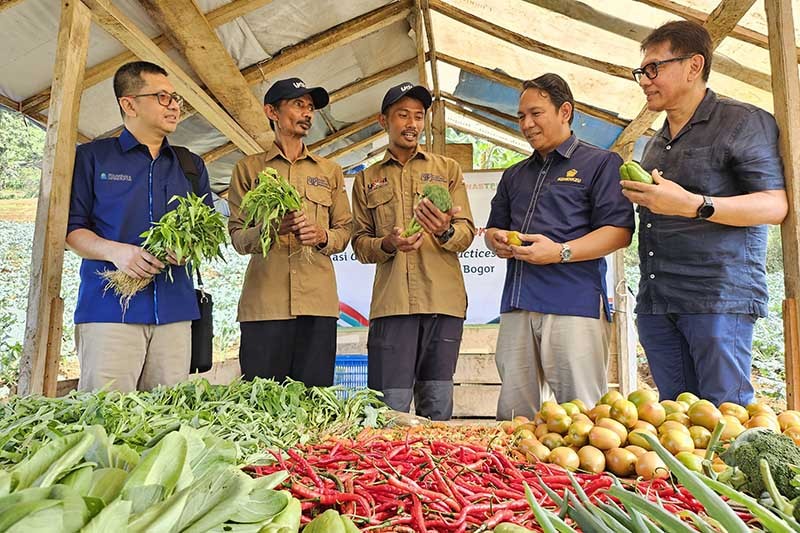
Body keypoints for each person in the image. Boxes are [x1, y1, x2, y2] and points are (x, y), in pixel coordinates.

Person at [621, 21, 787, 405]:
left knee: (726, 421)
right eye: (641, 72)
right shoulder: (656, 143)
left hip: (717, 300)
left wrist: (695, 204)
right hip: (658, 301)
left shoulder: (742, 121)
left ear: (694, 66)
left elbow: (775, 204)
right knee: (677, 422)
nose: (645, 80)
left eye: (653, 68)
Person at [485, 73, 634, 420]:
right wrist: (496, 241)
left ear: (565, 111)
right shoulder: (515, 174)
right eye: (521, 116)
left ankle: (583, 477)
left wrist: (560, 251)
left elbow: (619, 231)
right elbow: (495, 229)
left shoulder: (601, 163)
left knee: (585, 420)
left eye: (536, 113)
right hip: (518, 304)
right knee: (514, 419)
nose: (526, 123)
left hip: (573, 304)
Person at [66, 61, 212, 392]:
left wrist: (187, 249)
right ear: (128, 103)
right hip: (110, 311)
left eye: (176, 98)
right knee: (106, 418)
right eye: (163, 97)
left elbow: (205, 229)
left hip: (175, 311)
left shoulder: (189, 165)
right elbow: (71, 230)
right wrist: (116, 252)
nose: (174, 105)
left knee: (168, 420)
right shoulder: (93, 158)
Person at [351, 82, 476, 420]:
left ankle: (439, 473)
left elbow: (466, 234)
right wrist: (388, 244)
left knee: (437, 408)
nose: (412, 124)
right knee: (388, 411)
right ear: (384, 120)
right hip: (392, 307)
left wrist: (444, 229)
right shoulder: (367, 180)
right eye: (402, 115)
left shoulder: (447, 170)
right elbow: (360, 244)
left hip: (443, 302)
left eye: (418, 117)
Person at [227, 78, 352, 386]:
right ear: (272, 111)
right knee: (263, 405)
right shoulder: (248, 169)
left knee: (313, 402)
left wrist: (322, 237)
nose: (307, 113)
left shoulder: (329, 171)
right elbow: (237, 237)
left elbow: (345, 230)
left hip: (318, 304)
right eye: (298, 105)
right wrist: (268, 230)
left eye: (310, 107)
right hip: (265, 305)